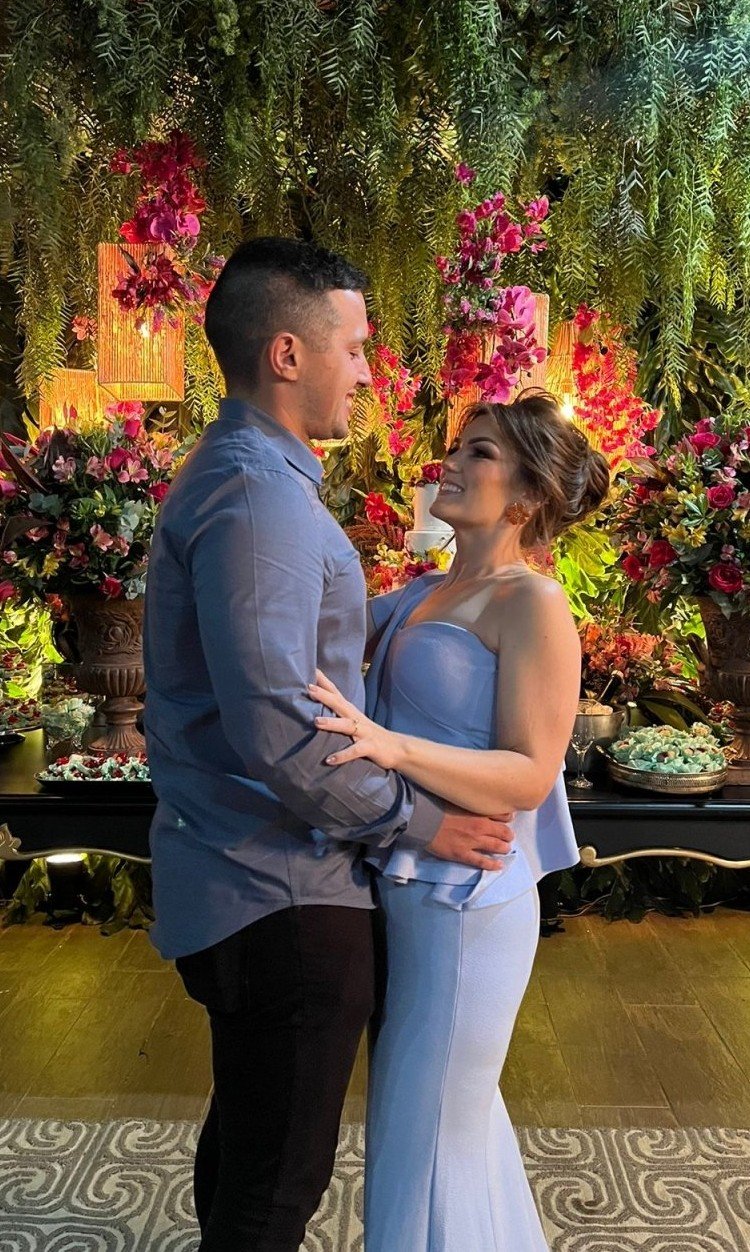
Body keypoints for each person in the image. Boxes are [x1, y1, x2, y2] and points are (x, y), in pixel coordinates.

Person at [142, 236, 515, 1252]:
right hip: (278, 887)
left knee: (250, 1143)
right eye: (353, 347)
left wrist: (450, 595)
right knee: (275, 1188)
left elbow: (301, 656)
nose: (366, 371)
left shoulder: (253, 480)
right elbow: (277, 727)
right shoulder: (257, 498)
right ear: (287, 354)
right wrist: (417, 822)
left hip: (254, 873)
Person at [309, 391, 610, 1251]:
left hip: (470, 903)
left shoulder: (533, 603)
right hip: (404, 888)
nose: (451, 462)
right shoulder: (423, 594)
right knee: (443, 1128)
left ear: (526, 496)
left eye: (479, 452)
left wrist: (390, 747)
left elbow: (530, 773)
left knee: (422, 1136)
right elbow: (311, 639)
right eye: (458, 446)